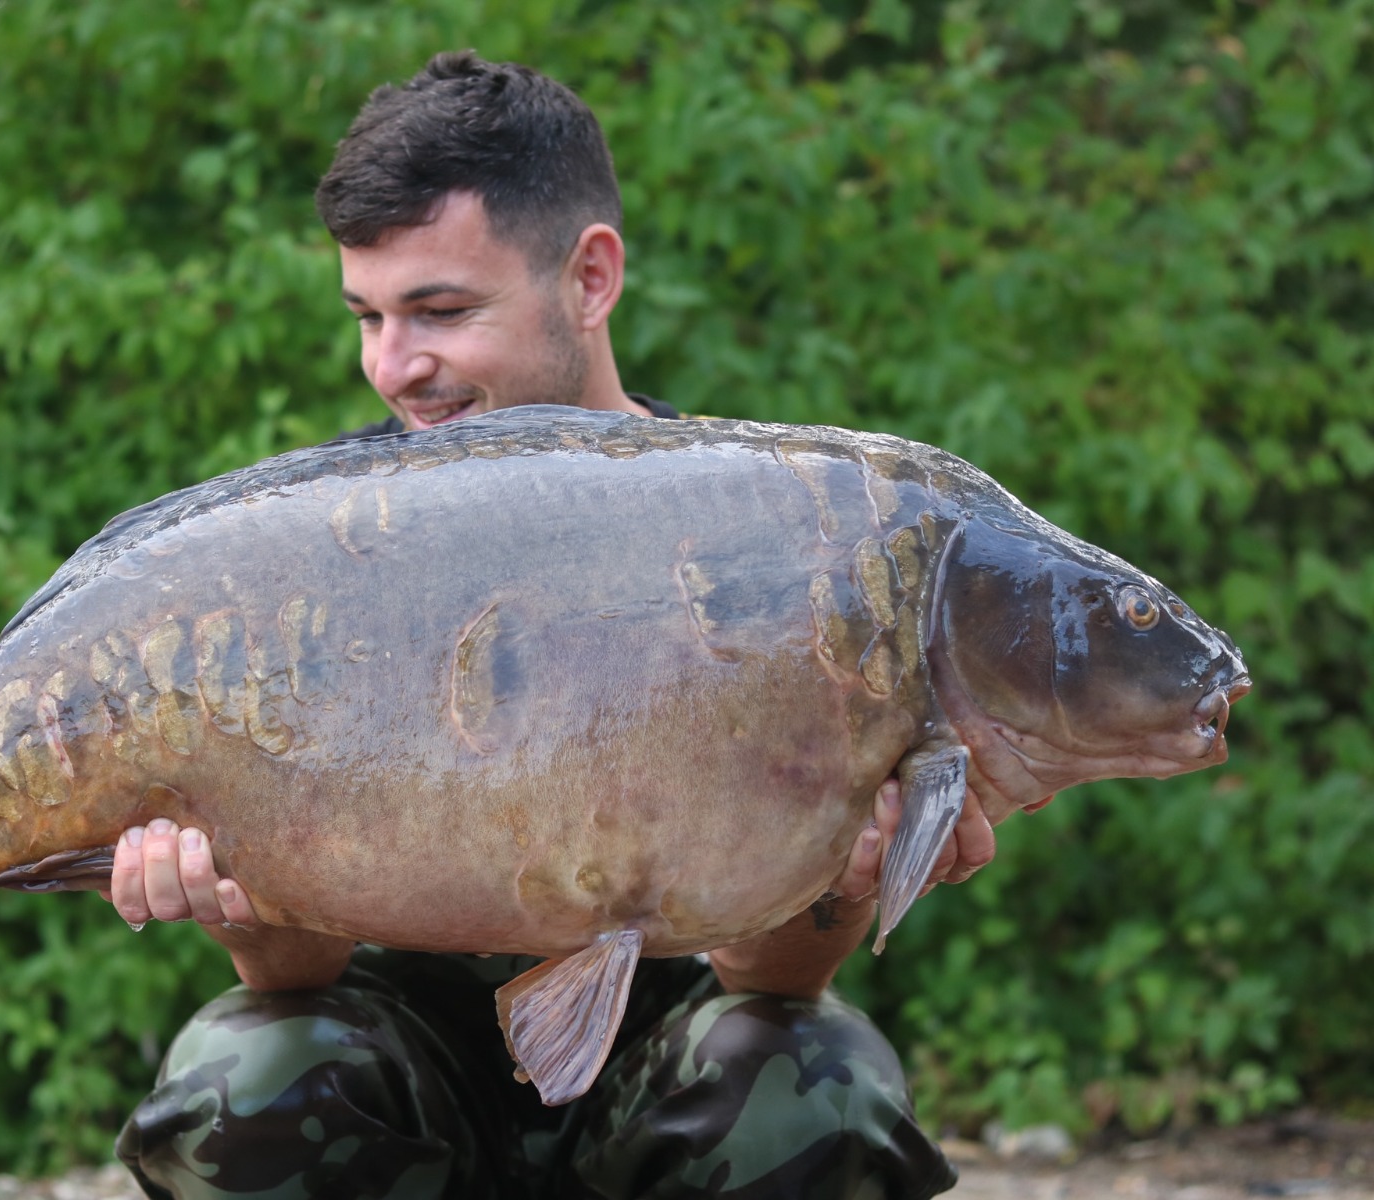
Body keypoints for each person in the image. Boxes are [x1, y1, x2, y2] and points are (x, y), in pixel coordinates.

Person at [106, 52, 997, 1199]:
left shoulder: (773, 545)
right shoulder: (324, 555)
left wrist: (843, 877)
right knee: (245, 1065)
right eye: (368, 316)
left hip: (657, 1089)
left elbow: (773, 981)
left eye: (440, 311)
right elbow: (297, 973)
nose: (394, 366)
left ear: (589, 277)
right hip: (408, 1079)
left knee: (814, 1074)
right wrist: (234, 898)